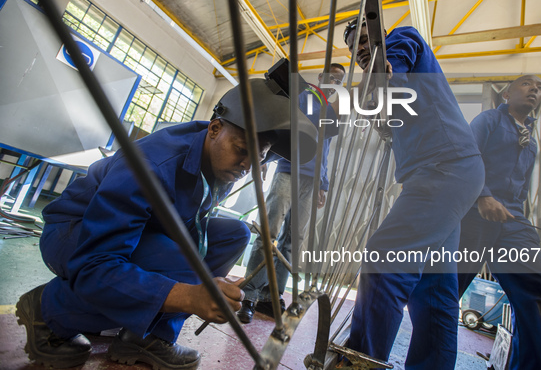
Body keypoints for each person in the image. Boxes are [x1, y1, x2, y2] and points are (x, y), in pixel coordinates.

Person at [15, 77, 318, 370]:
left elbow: (190, 223)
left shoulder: (216, 156)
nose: (247, 166)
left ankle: (145, 336)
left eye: (259, 159)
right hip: (76, 232)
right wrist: (188, 295)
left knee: (234, 235)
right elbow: (95, 265)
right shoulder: (150, 165)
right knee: (185, 266)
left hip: (137, 229)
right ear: (214, 129)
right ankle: (49, 310)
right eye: (242, 151)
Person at [342, 18, 485, 369]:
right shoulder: (387, 82)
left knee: (383, 256)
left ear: (378, 35)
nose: (359, 50)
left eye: (364, 40)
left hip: (445, 170)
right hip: (452, 173)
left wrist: (385, 76)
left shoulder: (401, 40)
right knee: (434, 292)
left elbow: (397, 65)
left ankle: (360, 361)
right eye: (353, 48)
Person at [457, 75, 541, 370]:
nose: (535, 90)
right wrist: (483, 197)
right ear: (507, 95)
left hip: (512, 219)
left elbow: (521, 189)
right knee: (449, 287)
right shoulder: (488, 120)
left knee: (536, 289)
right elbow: (467, 156)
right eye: (527, 85)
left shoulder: (532, 143)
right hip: (475, 213)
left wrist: (519, 218)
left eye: (539, 88)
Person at [237, 63, 346, 323]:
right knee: (270, 233)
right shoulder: (307, 96)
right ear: (321, 77)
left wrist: (323, 183)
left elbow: (325, 151)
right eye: (332, 77)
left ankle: (270, 296)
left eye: (340, 80)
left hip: (312, 180)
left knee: (292, 241)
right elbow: (289, 125)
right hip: (289, 171)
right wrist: (265, 157)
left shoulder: (332, 111)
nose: (335, 82)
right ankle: (249, 296)